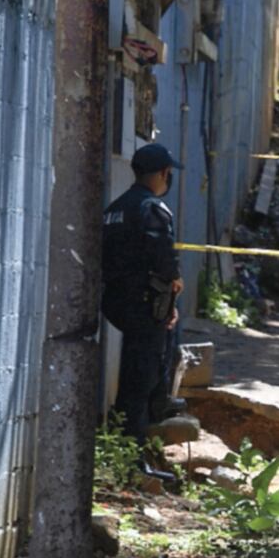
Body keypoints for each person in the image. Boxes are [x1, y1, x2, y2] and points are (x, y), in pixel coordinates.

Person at [101, 143, 187, 450]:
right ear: (164, 173)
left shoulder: (115, 209)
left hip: (119, 303)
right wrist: (174, 280)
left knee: (135, 373)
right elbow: (160, 252)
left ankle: (131, 445)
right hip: (145, 305)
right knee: (143, 379)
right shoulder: (151, 207)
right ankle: (133, 453)